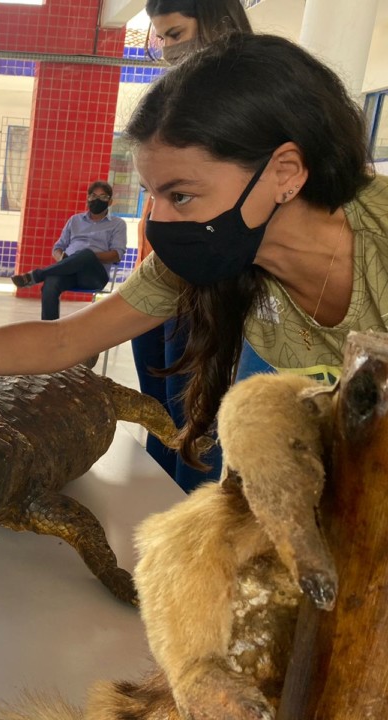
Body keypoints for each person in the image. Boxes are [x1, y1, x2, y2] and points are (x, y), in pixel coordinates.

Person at [0, 34, 383, 479]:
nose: (159, 223)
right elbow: (65, 341)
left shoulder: (376, 239)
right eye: (153, 196)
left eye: (182, 195)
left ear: (285, 172)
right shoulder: (220, 255)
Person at [131, 0, 254, 491]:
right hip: (161, 276)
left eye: (176, 34)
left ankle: (185, 518)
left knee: (194, 427)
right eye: (160, 38)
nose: (168, 50)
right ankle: (157, 511)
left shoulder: (246, 110)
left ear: (219, 23)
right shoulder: (175, 103)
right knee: (158, 414)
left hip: (205, 287)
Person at [10, 180, 127, 321]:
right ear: (88, 198)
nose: (97, 200)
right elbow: (57, 248)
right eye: (93, 196)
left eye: (103, 197)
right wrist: (64, 260)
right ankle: (50, 328)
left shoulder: (117, 224)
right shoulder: (75, 220)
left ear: (110, 202)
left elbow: (116, 255)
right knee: (50, 283)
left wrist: (87, 257)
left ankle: (37, 275)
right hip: (68, 272)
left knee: (86, 254)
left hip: (94, 276)